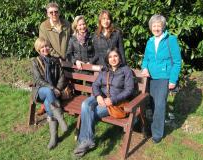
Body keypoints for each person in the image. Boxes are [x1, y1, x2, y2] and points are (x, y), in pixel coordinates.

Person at [73, 47, 134, 157]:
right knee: (85, 105)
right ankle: (88, 140)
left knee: (89, 112)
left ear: (120, 57)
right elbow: (95, 85)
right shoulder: (104, 70)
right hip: (100, 96)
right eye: (110, 57)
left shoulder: (126, 70)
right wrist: (98, 96)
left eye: (115, 56)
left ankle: (84, 142)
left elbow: (129, 90)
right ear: (107, 59)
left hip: (113, 102)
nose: (113, 59)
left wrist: (112, 100)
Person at [141, 14, 182, 143]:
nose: (156, 28)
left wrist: (172, 80)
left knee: (159, 105)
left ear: (163, 26)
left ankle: (157, 134)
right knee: (152, 104)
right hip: (150, 78)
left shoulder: (171, 40)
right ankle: (152, 128)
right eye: (154, 25)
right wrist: (144, 68)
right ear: (151, 27)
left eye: (159, 25)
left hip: (164, 77)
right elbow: (146, 59)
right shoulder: (150, 41)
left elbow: (177, 62)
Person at [32, 37, 68, 149]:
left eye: (46, 46)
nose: (45, 48)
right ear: (38, 49)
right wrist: (53, 88)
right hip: (41, 90)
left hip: (53, 93)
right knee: (48, 91)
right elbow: (38, 80)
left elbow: (62, 76)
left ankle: (54, 138)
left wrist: (58, 88)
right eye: (42, 47)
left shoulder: (55, 60)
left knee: (49, 102)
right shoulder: (35, 61)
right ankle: (60, 117)